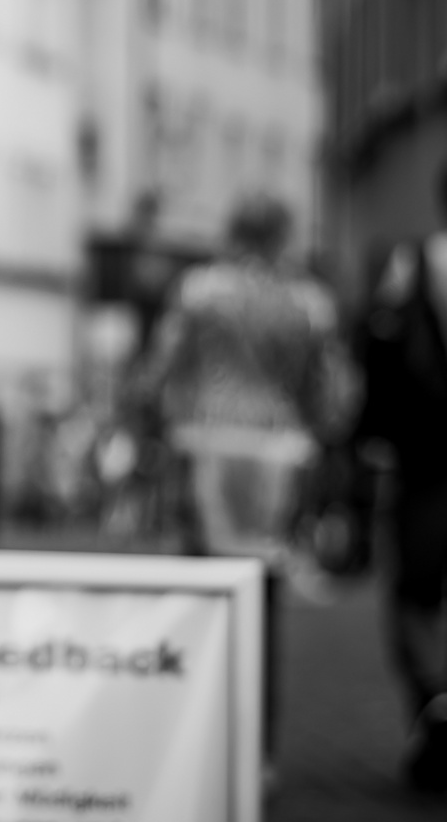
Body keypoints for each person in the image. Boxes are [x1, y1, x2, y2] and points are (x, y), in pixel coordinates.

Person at [139, 192, 354, 767]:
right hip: (278, 452)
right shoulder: (310, 300)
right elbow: (333, 394)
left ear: (231, 232)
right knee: (261, 599)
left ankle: (193, 740)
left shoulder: (199, 291)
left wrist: (158, 419)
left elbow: (160, 370)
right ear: (284, 236)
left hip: (205, 444)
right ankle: (257, 752)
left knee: (202, 595)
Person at [356, 161, 447, 792]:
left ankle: (436, 708)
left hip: (425, 464)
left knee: (415, 596)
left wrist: (372, 441)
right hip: (424, 465)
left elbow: (381, 354)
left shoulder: (411, 262)